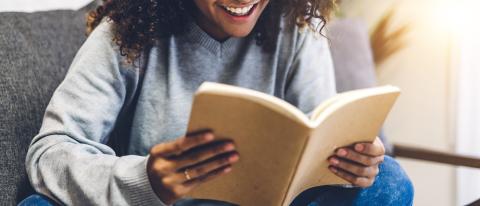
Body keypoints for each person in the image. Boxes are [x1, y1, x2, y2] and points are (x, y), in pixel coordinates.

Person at [20, 0, 413, 205]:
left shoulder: (298, 32)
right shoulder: (125, 36)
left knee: (389, 181)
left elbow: (319, 144)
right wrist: (147, 181)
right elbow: (49, 153)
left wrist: (353, 162)